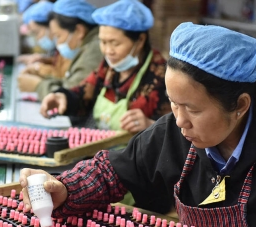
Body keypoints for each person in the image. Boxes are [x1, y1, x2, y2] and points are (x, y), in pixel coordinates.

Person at [19, 22, 256, 227]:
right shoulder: (173, 132)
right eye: (173, 104)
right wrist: (66, 188)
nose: (180, 120)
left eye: (194, 109)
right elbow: (113, 171)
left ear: (240, 105)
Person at [39, 0, 171, 133]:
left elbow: (180, 130)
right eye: (103, 42)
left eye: (115, 43)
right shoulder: (109, 68)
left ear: (140, 40)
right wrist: (63, 97)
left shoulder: (161, 76)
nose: (108, 51)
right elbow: (84, 93)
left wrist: (152, 125)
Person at [17, 0, 103, 100]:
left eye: (58, 36)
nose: (57, 44)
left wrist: (38, 86)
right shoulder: (86, 45)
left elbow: (72, 95)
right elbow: (68, 81)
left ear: (79, 31)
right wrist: (41, 77)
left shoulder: (94, 50)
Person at [17, 0, 71, 79]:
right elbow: (59, 64)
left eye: (37, 33)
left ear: (51, 26)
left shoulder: (69, 46)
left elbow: (63, 76)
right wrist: (45, 60)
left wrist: (38, 69)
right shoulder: (61, 49)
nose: (37, 39)